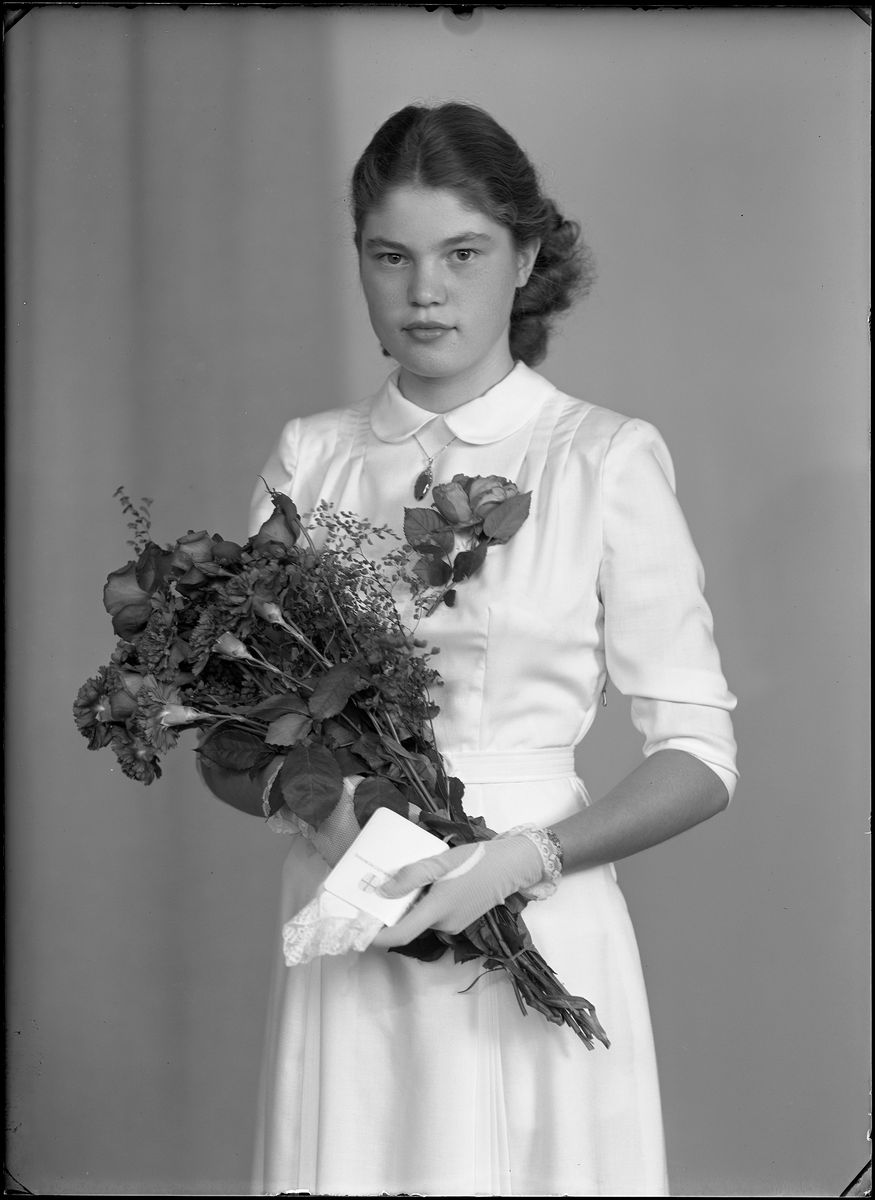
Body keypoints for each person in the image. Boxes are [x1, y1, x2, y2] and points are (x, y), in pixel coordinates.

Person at [200, 102, 737, 1197]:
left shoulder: (602, 458)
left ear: (525, 259)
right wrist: (333, 818)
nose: (424, 292)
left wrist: (521, 860)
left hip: (542, 903)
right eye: (390, 256)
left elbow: (700, 758)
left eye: (462, 254)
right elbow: (228, 733)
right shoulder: (310, 458)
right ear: (360, 259)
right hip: (352, 912)